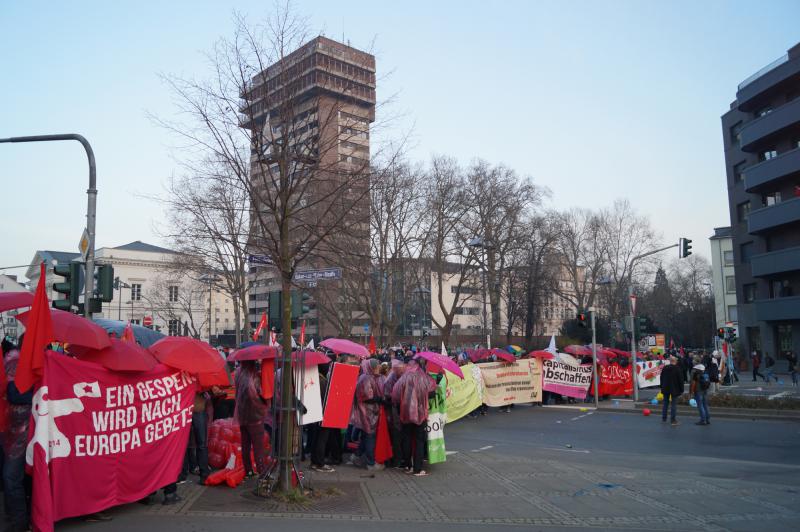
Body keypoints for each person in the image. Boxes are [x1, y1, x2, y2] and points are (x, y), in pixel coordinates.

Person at [2, 336, 32, 531]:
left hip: (29, 430)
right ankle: (19, 519)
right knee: (13, 476)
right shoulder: (15, 363)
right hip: (16, 430)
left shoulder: (45, 363)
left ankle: (20, 522)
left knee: (14, 476)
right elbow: (14, 394)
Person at [392, 358, 436, 477]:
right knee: (419, 440)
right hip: (420, 414)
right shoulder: (424, 377)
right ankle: (418, 468)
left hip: (405, 413)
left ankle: (408, 466)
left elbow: (394, 395)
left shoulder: (404, 378)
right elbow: (432, 391)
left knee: (406, 438)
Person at [234, 361, 268, 478]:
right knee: (258, 446)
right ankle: (262, 471)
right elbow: (262, 393)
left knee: (245, 444)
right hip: (255, 416)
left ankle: (248, 470)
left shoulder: (239, 373)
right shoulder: (255, 376)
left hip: (242, 414)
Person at [352, 359, 383, 471]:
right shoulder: (367, 378)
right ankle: (371, 463)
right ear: (373, 367)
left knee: (365, 436)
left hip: (366, 411)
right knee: (370, 436)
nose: (379, 368)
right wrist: (380, 399)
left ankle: (357, 456)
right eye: (377, 367)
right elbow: (368, 397)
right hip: (367, 413)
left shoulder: (366, 377)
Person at [383, 359, 405, 468]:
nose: (402, 373)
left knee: (402, 436)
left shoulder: (402, 377)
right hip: (394, 412)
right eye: (400, 371)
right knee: (396, 436)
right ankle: (396, 459)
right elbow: (387, 395)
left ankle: (401, 459)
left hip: (402, 412)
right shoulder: (390, 380)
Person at [659, 355, 683, 426]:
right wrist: (681, 389)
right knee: (673, 404)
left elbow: (661, 378)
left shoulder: (665, 368)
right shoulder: (677, 369)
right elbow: (680, 380)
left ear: (670, 361)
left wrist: (661, 386)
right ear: (675, 361)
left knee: (665, 403)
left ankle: (664, 418)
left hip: (665, 388)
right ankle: (673, 420)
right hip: (674, 389)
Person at [690, 356, 711, 426]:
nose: (692, 361)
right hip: (705, 388)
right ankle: (707, 419)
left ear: (695, 361)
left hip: (698, 389)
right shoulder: (704, 368)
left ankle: (703, 420)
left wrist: (691, 391)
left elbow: (692, 382)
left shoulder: (694, 370)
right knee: (705, 404)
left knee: (700, 405)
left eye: (693, 360)